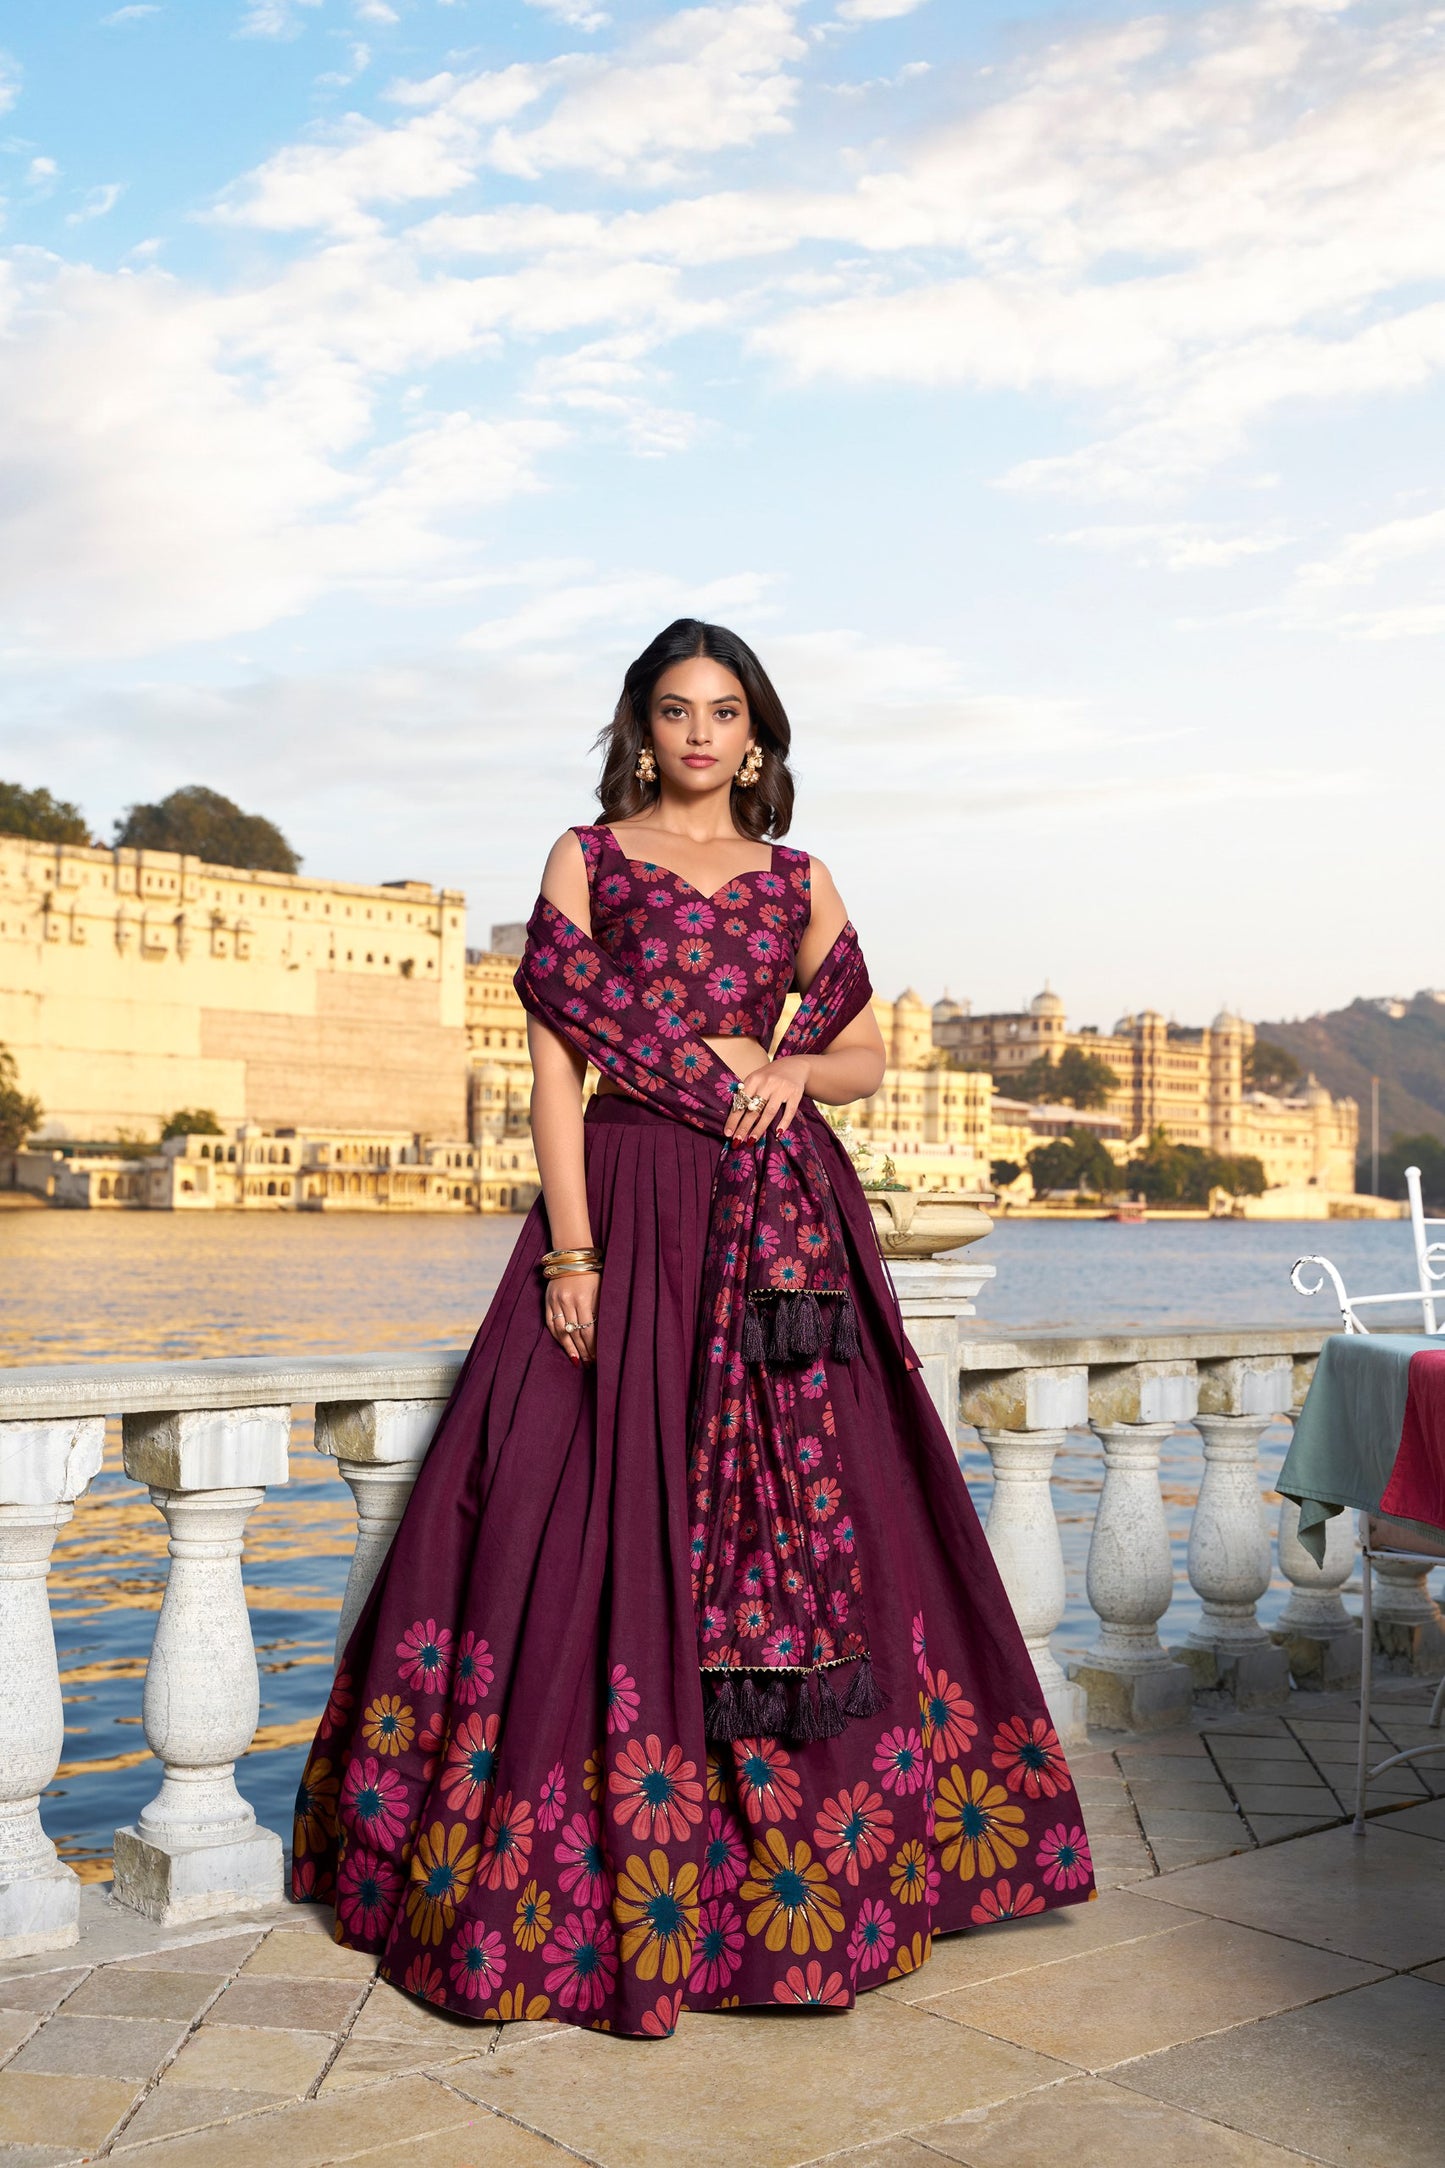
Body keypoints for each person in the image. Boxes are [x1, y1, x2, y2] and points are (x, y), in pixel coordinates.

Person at [291, 618, 1094, 2036]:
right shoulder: (585, 859)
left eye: (725, 711)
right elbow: (554, 1077)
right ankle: (585, 1873)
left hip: (782, 1236)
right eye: (676, 711)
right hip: (633, 1203)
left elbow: (862, 1049)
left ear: (760, 736)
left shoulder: (800, 878)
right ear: (641, 728)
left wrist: (787, 1066)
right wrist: (572, 1255)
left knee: (821, 1524)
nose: (701, 734)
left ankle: (816, 1872)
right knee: (581, 1506)